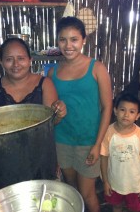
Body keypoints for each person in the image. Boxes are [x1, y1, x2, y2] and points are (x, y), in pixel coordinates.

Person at [47, 16, 113, 212]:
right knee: (71, 190)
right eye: (63, 39)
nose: (68, 45)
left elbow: (107, 108)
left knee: (87, 193)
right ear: (57, 41)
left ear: (84, 40)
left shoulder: (97, 68)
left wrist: (97, 144)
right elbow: (51, 110)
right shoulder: (52, 73)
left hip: (88, 142)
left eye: (74, 39)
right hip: (62, 140)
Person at [100, 92, 140, 212]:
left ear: (138, 116)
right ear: (115, 111)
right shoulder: (108, 131)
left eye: (132, 112)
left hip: (134, 184)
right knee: (116, 206)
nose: (126, 115)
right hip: (114, 182)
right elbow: (104, 157)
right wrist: (106, 181)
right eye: (122, 110)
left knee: (135, 208)